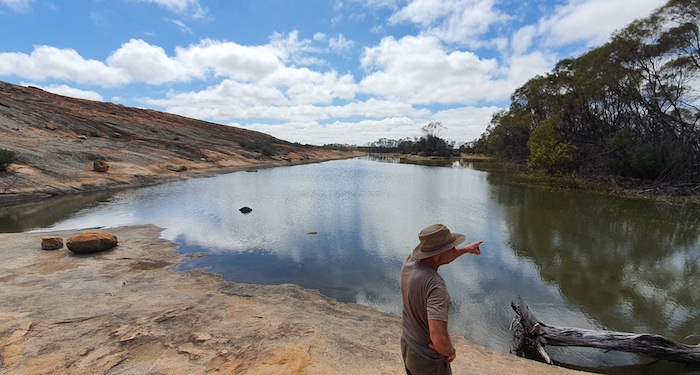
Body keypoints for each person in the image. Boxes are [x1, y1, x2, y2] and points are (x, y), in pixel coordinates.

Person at [400, 223, 482, 375]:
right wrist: (450, 351)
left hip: (408, 346)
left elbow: (442, 258)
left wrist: (466, 250)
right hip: (428, 361)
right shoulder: (435, 286)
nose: (454, 250)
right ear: (437, 254)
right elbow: (438, 339)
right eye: (452, 248)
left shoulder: (409, 263)